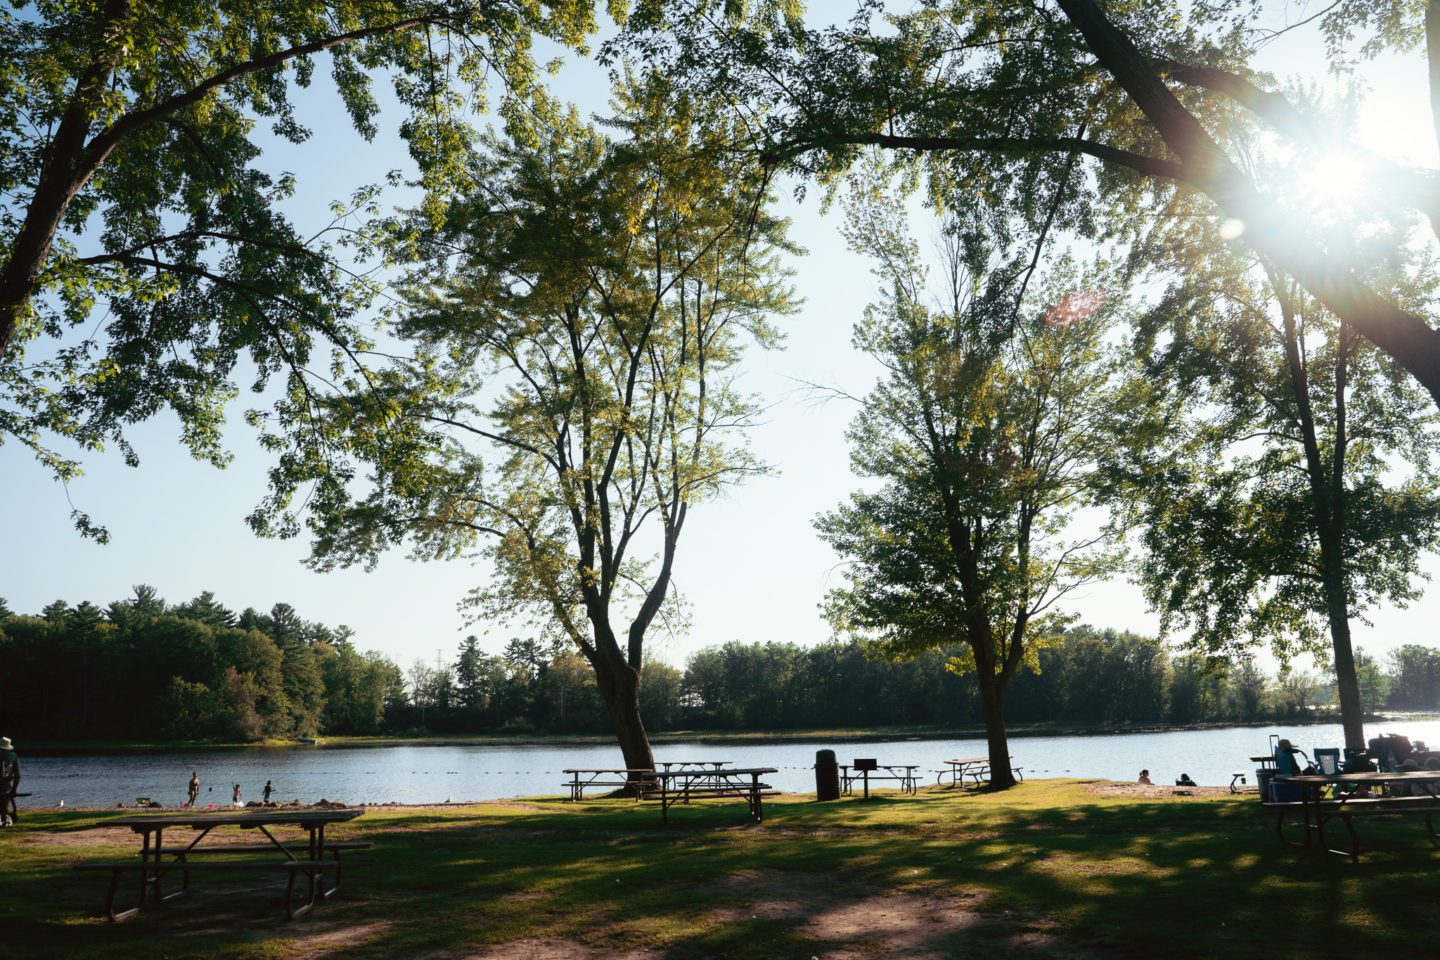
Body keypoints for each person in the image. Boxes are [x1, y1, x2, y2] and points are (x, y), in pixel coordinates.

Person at [0, 736, 20, 827]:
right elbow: (17, 775)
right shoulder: (14, 756)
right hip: (7, 787)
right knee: (4, 806)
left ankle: (3, 820)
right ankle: (4, 820)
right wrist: (14, 789)